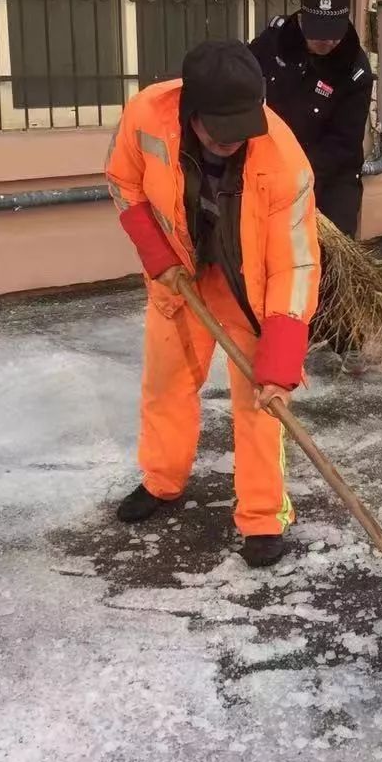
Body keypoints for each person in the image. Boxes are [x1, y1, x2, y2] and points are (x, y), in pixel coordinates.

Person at [105, 40, 319, 569]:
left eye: (241, 128)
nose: (231, 142)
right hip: (180, 279)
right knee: (166, 385)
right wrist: (158, 256)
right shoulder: (147, 116)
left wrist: (282, 356)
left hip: (250, 290)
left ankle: (264, 518)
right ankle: (162, 481)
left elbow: (296, 263)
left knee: (260, 403)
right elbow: (123, 182)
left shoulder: (284, 159)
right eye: (218, 131)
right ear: (190, 112)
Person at [249, 0, 373, 363]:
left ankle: (340, 335)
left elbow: (344, 141)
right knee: (272, 256)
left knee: (334, 260)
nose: (325, 43)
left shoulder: (354, 69)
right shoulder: (269, 46)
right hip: (268, 172)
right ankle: (277, 329)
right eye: (317, 34)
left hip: (330, 176)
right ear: (300, 17)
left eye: (332, 35)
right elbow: (242, 93)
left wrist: (299, 175)